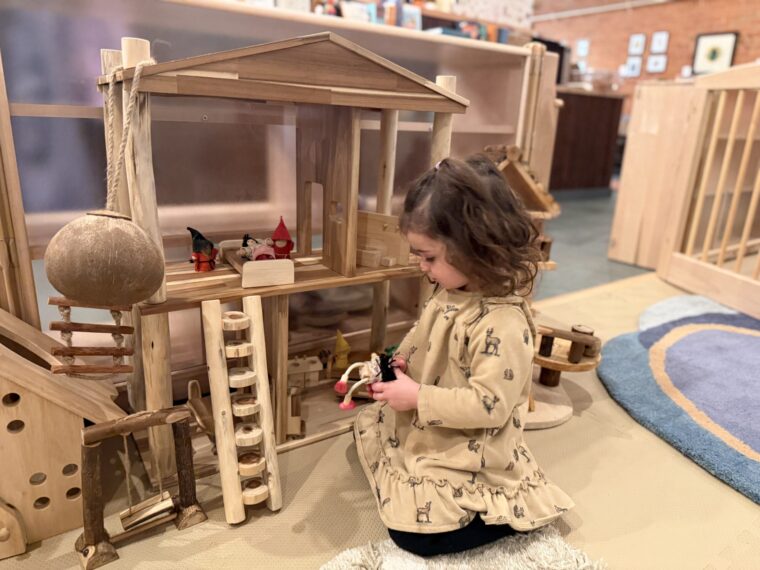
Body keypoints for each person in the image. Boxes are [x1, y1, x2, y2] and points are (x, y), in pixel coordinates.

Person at [353, 155, 574, 557]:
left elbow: (489, 405)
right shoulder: (453, 289)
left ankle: (507, 515)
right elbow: (424, 335)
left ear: (476, 248)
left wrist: (418, 397)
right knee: (373, 426)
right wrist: (402, 362)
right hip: (439, 423)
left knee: (414, 536)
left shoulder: (503, 323)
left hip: (476, 448)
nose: (422, 267)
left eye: (429, 257)